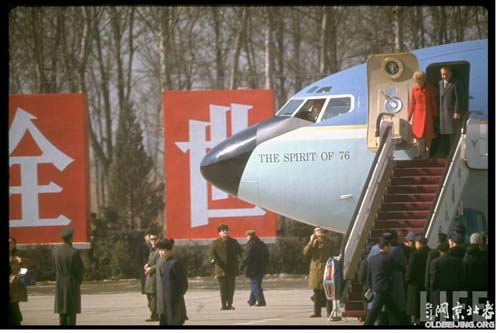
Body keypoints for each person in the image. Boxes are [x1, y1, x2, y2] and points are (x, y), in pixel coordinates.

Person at [364, 238, 406, 326]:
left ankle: (402, 322)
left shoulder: (372, 259)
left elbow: (369, 274)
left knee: (392, 308)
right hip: (384, 288)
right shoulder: (388, 259)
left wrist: (369, 285)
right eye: (390, 246)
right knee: (374, 311)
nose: (390, 248)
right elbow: (400, 267)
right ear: (386, 247)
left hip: (377, 287)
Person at [53, 227, 84, 326]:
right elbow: (80, 270)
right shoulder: (73, 252)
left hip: (59, 283)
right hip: (71, 283)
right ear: (71, 237)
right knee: (71, 312)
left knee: (62, 312)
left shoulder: (56, 251)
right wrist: (78, 281)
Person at [208, 224, 243, 310]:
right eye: (223, 230)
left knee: (231, 288)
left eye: (226, 230)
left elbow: (241, 252)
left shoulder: (233, 242)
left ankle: (230, 305)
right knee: (223, 289)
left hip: (231, 269)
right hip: (221, 269)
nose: (225, 232)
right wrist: (213, 260)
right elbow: (211, 253)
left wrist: (244, 259)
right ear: (219, 233)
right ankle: (223, 305)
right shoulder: (215, 243)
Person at [303, 226, 335, 318]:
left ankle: (330, 312)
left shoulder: (328, 242)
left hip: (326, 269)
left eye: (321, 230)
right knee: (316, 292)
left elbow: (333, 252)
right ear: (314, 233)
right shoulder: (313, 243)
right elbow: (305, 252)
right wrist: (311, 241)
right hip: (316, 271)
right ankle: (317, 312)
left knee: (328, 292)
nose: (320, 232)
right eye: (317, 230)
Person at [156, 239, 188, 326]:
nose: (162, 253)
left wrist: (176, 296)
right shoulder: (162, 263)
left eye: (165, 251)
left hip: (173, 303)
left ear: (170, 251)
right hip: (164, 302)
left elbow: (184, 283)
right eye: (161, 250)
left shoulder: (175, 263)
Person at [408, 71, 438, 160]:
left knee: (429, 135)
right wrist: (409, 115)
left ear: (423, 79)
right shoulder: (414, 89)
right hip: (417, 115)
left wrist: (435, 113)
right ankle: (418, 153)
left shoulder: (430, 88)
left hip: (428, 115)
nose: (418, 82)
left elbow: (433, 101)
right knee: (417, 135)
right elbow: (412, 103)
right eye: (417, 81)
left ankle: (428, 153)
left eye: (420, 80)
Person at [240, 230, 270, 307]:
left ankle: (261, 301)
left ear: (249, 236)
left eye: (246, 236)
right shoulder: (262, 244)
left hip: (252, 268)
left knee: (255, 284)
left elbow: (246, 257)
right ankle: (251, 301)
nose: (246, 238)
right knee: (257, 284)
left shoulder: (250, 245)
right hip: (262, 268)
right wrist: (265, 265)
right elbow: (267, 255)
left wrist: (241, 267)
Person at [405, 233, 430, 325]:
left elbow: (409, 271)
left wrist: (407, 280)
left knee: (416, 313)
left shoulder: (414, 255)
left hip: (415, 286)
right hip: (427, 286)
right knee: (425, 312)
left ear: (418, 243)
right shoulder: (431, 253)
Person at [438, 66, 464, 152]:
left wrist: (457, 111)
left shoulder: (456, 83)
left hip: (452, 112)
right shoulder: (440, 83)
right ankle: (445, 152)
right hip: (443, 112)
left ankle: (452, 152)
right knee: (444, 133)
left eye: (445, 74)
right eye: (442, 74)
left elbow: (459, 98)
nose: (444, 76)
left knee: (452, 133)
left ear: (450, 73)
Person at [9, 236, 28, 326]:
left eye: (11, 243)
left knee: (14, 309)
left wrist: (21, 274)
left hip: (15, 287)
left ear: (14, 244)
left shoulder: (19, 255)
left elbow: (25, 268)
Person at [144, 233, 160, 321]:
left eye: (155, 239)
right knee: (149, 297)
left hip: (155, 277)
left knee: (153, 297)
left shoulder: (159, 250)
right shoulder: (152, 250)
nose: (153, 241)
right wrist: (146, 265)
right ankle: (155, 314)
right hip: (149, 277)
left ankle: (154, 316)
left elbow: (160, 263)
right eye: (151, 239)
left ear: (158, 239)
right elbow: (150, 261)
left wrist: (151, 268)